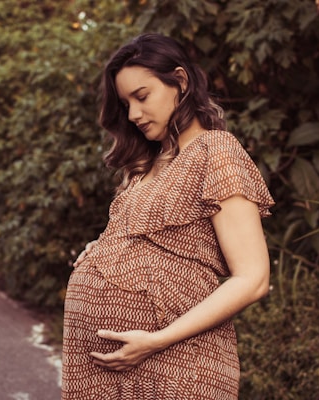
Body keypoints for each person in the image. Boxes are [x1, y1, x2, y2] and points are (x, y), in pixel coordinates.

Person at [61, 33, 275, 399]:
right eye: (126, 103)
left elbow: (253, 279)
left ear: (180, 81)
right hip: (106, 374)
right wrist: (102, 250)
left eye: (141, 97)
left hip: (176, 366)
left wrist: (155, 341)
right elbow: (160, 242)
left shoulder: (216, 151)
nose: (133, 114)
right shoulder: (146, 164)